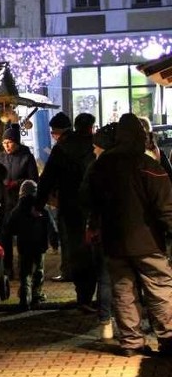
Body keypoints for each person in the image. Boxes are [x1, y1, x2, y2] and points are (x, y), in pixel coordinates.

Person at [85, 113, 172, 357]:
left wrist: (94, 225)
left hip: (114, 240)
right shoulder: (149, 166)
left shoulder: (101, 166)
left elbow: (89, 200)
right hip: (148, 242)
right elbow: (166, 206)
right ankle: (168, 337)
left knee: (123, 290)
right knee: (159, 289)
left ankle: (131, 342)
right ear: (140, 136)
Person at [36, 111, 96, 306]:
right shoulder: (96, 147)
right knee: (97, 249)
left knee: (76, 249)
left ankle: (83, 296)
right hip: (96, 206)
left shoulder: (61, 148)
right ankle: (102, 298)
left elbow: (47, 178)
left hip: (71, 205)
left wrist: (38, 204)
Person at [80, 123, 117, 340]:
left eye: (96, 147)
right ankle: (131, 326)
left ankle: (106, 323)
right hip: (127, 229)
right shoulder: (131, 164)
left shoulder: (96, 168)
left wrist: (91, 224)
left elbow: (85, 198)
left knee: (104, 277)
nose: (94, 150)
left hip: (103, 228)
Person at [0, 123, 39, 278]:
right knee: (4, 235)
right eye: (4, 143)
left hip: (23, 202)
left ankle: (25, 269)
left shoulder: (27, 157)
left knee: (23, 237)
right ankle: (7, 268)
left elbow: (33, 179)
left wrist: (17, 183)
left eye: (10, 143)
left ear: (17, 142)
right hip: (6, 202)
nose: (7, 146)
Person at [6, 179, 58, 311]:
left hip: (24, 245)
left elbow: (10, 227)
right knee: (39, 271)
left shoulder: (17, 210)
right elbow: (52, 226)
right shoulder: (42, 208)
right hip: (40, 245)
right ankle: (37, 294)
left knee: (25, 273)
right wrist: (54, 241)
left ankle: (24, 298)